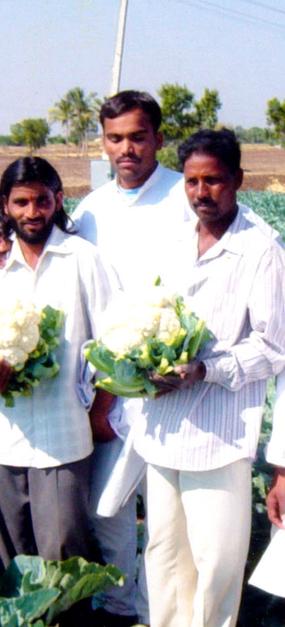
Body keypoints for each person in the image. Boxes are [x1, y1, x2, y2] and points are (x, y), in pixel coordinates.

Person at [114, 128, 285, 627]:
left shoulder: (260, 250)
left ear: (237, 180)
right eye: (192, 182)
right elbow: (149, 308)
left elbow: (273, 347)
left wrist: (207, 369)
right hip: (163, 428)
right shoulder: (173, 239)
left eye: (213, 181)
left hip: (219, 433)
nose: (201, 193)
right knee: (165, 556)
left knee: (214, 564)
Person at [72, 89, 190, 627]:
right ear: (103, 142)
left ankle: (159, 612)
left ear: (158, 140)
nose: (127, 149)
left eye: (138, 137)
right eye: (115, 139)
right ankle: (120, 606)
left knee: (168, 515)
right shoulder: (92, 209)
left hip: (177, 386)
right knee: (109, 509)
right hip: (109, 388)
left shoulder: (183, 198)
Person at [0, 157, 117, 625]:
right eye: (20, 202)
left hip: (64, 431)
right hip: (6, 434)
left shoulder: (81, 258)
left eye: (41, 201)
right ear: (5, 206)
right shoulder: (0, 262)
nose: (32, 212)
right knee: (11, 552)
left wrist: (101, 411)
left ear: (58, 200)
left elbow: (113, 345)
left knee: (62, 550)